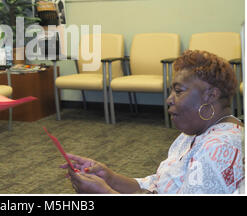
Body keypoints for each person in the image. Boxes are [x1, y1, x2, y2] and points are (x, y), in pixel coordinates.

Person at [62, 50, 244, 194]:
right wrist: (110, 178)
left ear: (211, 95)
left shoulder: (219, 149)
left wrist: (106, 193)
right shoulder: (192, 134)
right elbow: (158, 187)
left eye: (178, 91)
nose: (169, 100)